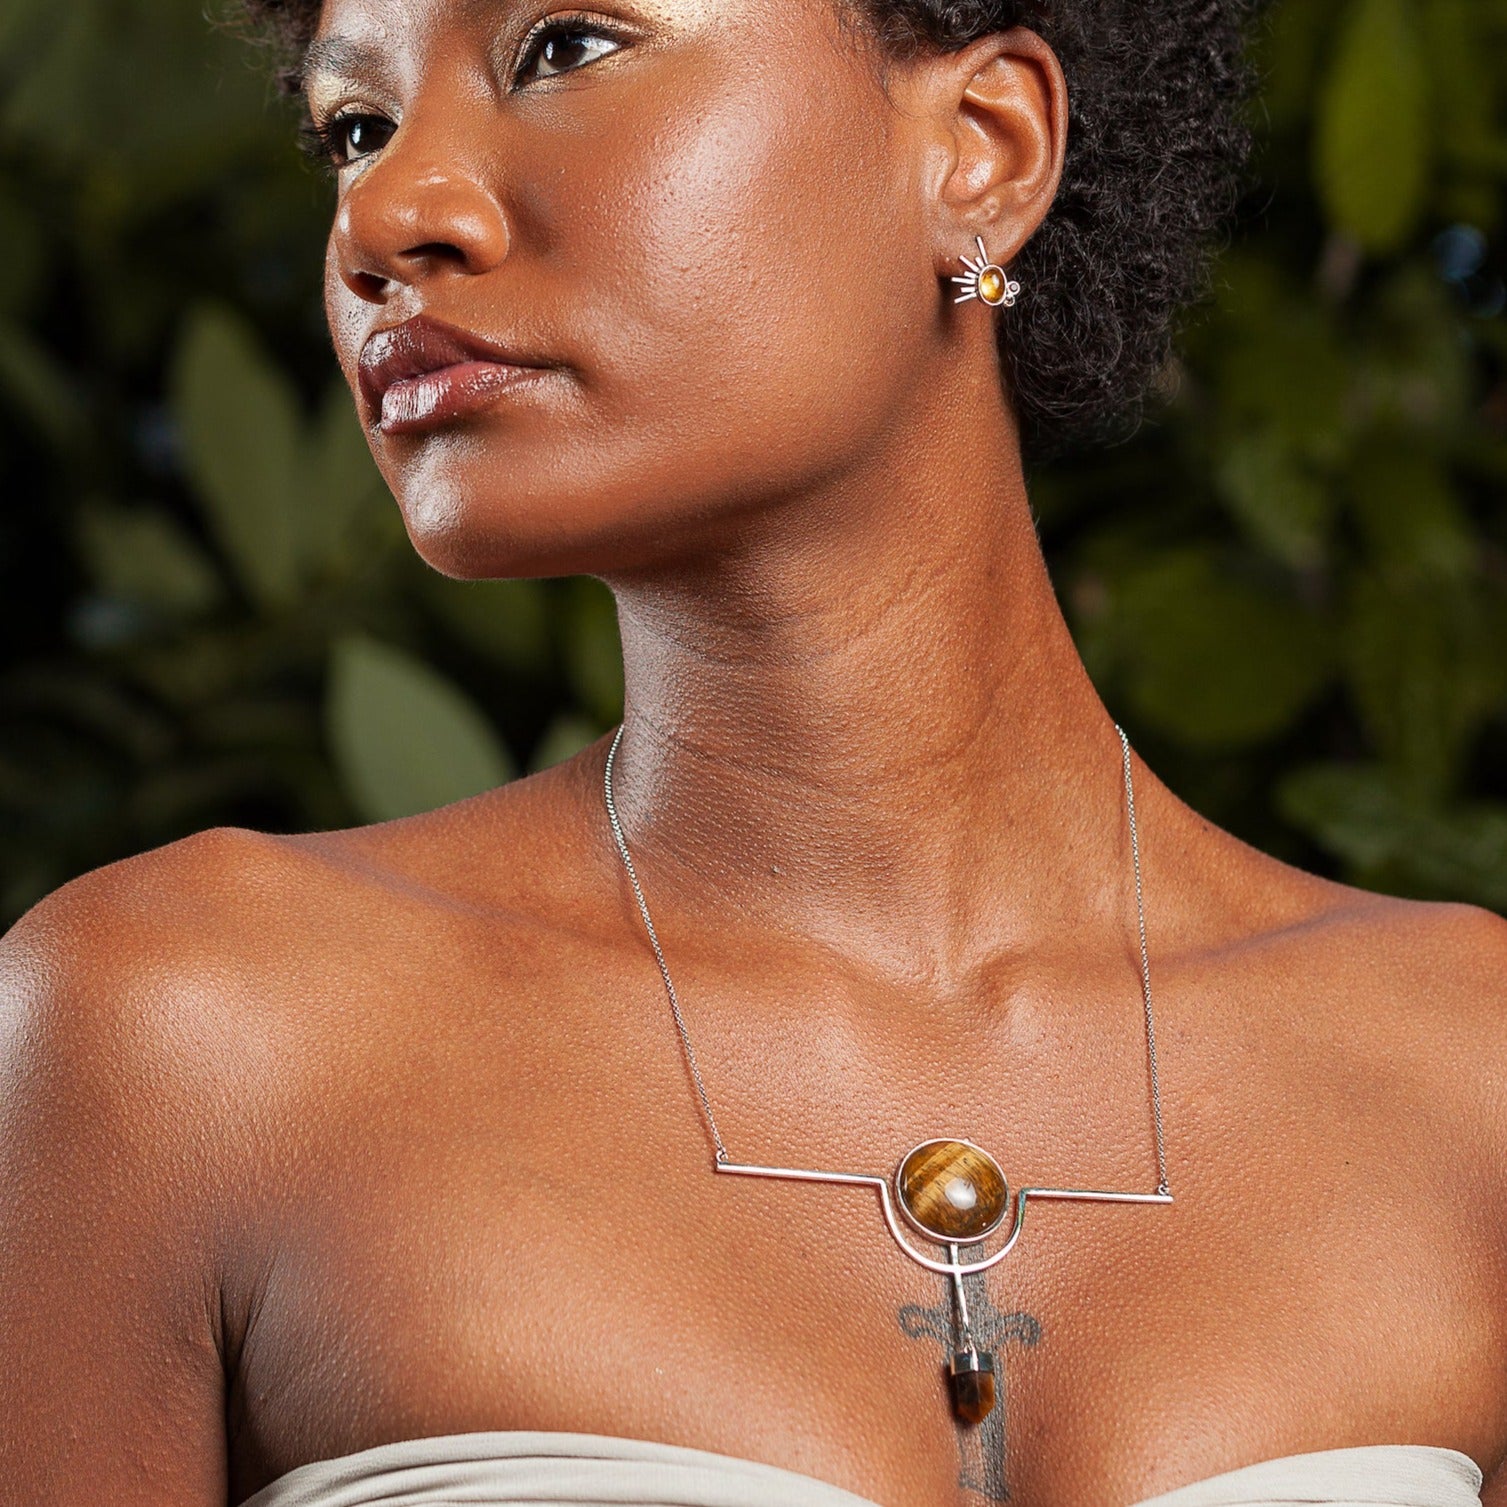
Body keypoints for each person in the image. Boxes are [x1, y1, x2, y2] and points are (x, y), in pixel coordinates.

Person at [2, 1, 1504, 1504]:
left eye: (564, 47)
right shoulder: (177, 1035)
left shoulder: (1470, 1074)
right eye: (356, 129)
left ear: (983, 152)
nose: (388, 217)